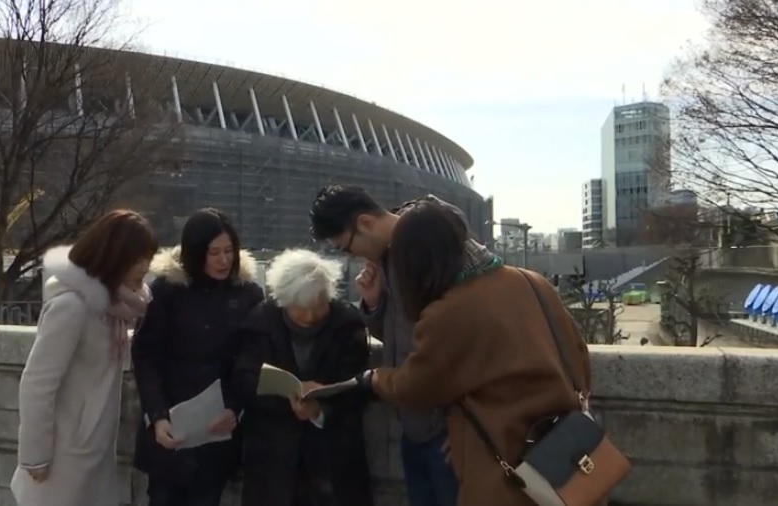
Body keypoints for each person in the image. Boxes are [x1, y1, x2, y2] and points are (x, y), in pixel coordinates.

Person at [355, 200, 594, 506]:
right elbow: (578, 354)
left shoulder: (448, 312)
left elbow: (416, 386)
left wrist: (375, 378)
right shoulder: (530, 280)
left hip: (507, 460)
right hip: (567, 447)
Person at [309, 185, 485, 506]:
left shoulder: (435, 242)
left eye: (347, 248)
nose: (353, 256)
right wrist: (375, 305)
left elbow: (478, 336)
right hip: (413, 422)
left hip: (448, 429)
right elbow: (405, 336)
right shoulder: (389, 256)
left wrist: (468, 422)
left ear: (365, 223)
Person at [11, 210, 157, 506]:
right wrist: (35, 456)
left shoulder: (115, 306)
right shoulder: (72, 306)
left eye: (148, 256)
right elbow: (37, 383)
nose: (146, 266)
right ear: (116, 257)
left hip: (96, 448)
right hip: (64, 453)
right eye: (139, 258)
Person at [131, 208, 265, 506]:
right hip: (171, 426)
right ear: (195, 253)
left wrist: (235, 408)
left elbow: (251, 359)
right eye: (213, 252)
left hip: (218, 428)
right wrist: (157, 415)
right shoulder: (167, 290)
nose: (223, 260)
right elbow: (145, 356)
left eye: (229, 251)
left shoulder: (248, 295)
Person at [233, 249, 374, 506]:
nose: (309, 317)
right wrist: (286, 400)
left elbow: (360, 387)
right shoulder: (260, 323)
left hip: (331, 463)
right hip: (272, 459)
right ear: (284, 301)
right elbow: (244, 380)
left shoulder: (347, 325)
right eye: (300, 308)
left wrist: (320, 408)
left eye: (318, 306)